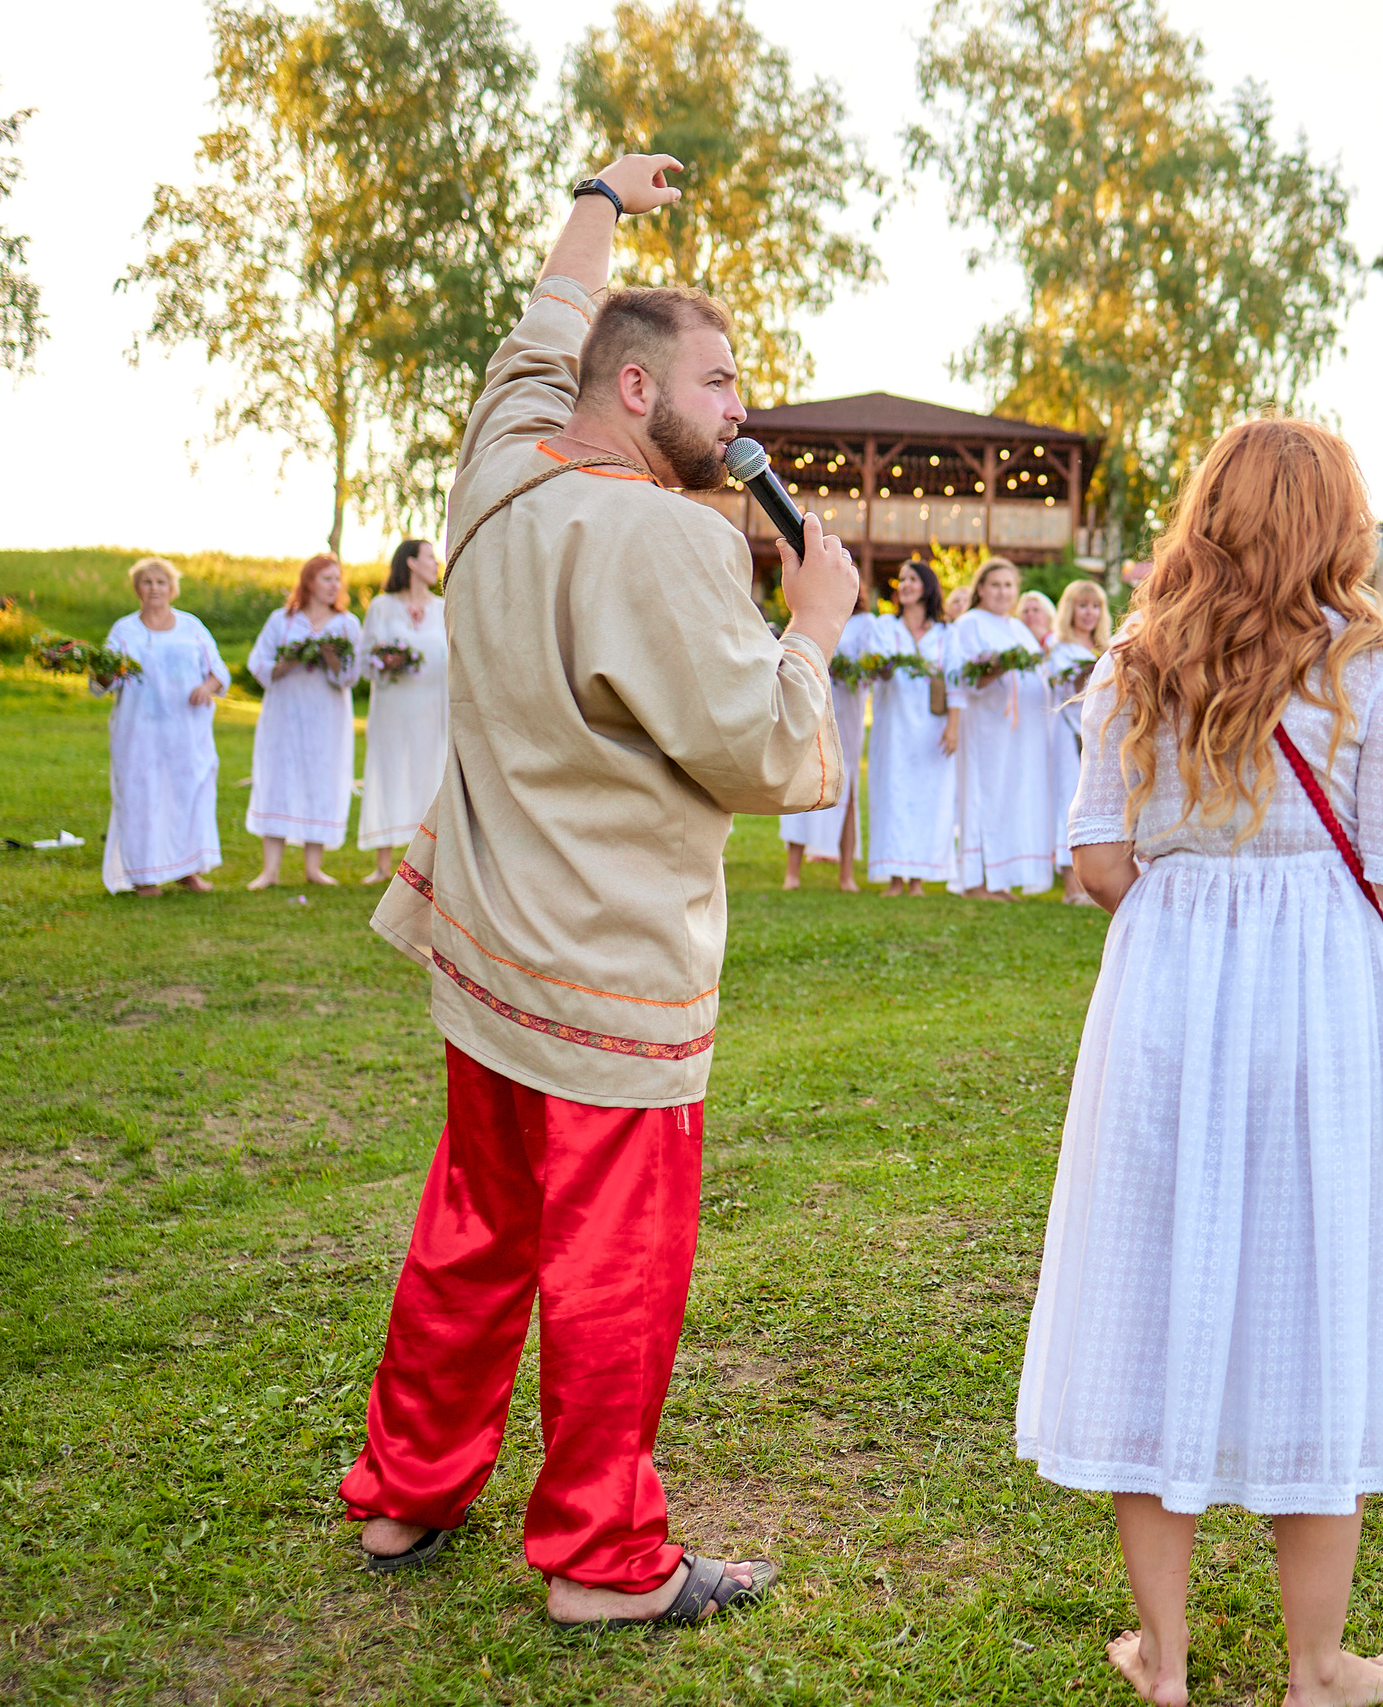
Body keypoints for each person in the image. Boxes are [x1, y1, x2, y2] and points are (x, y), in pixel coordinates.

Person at [343, 154, 852, 1626]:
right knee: (614, 1270)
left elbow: (541, 321)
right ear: (636, 393)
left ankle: (405, 1493)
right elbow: (762, 744)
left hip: (489, 940)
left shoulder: (495, 464)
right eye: (721, 376)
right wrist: (811, 623)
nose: (741, 404)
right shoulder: (677, 535)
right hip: (613, 967)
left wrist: (597, 196)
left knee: (474, 1228)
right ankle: (598, 1557)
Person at [1023, 415, 1383, 1707]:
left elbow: (1099, 864)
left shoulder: (1131, 665)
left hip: (1167, 983)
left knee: (1156, 1287)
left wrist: (1194, 899)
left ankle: (1166, 1656)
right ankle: (1317, 1665)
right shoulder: (1379, 674)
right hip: (1321, 992)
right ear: (1335, 524)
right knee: (1323, 1285)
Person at [97, 556, 228, 897]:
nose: (154, 588)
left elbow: (219, 672)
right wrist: (102, 671)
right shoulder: (124, 630)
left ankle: (188, 870)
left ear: (172, 589)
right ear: (136, 589)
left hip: (187, 732)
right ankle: (144, 877)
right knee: (142, 798)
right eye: (147, 582)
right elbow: (102, 679)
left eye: (161, 582)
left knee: (189, 797)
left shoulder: (192, 627)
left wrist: (206, 687)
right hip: (139, 733)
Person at [246, 552, 362, 887]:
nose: (334, 585)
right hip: (284, 714)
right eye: (327, 579)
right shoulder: (281, 620)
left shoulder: (347, 624)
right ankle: (270, 870)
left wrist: (331, 659)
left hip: (326, 717)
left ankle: (313, 868)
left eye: (337, 579)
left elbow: (351, 676)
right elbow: (259, 664)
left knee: (320, 781)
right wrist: (288, 662)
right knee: (277, 779)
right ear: (309, 582)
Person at [948, 558, 1057, 898]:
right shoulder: (969, 624)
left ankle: (1003, 877)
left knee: (1012, 797)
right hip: (986, 729)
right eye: (995, 585)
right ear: (980, 588)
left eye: (1008, 585)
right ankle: (976, 881)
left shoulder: (1018, 628)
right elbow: (961, 677)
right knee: (984, 795)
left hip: (1021, 735)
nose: (1002, 592)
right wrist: (996, 668)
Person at [867, 559, 958, 897]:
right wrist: (884, 668)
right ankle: (894, 876)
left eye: (912, 579)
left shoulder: (946, 633)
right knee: (892, 793)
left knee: (928, 796)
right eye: (901, 579)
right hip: (893, 726)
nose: (904, 584)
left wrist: (953, 726)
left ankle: (918, 877)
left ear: (927, 586)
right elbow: (874, 670)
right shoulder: (884, 627)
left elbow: (957, 681)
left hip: (932, 727)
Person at [359, 539, 449, 882]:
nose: (435, 564)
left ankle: (430, 864)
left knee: (430, 774)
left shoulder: (443, 607)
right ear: (411, 563)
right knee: (389, 771)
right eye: (429, 557)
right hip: (392, 708)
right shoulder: (382, 607)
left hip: (432, 709)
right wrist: (387, 661)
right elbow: (366, 662)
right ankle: (383, 864)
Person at [780, 579, 875, 892]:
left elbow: (870, 666)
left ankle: (846, 873)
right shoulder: (806, 615)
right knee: (800, 775)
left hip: (846, 710)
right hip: (809, 702)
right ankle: (792, 872)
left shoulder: (865, 624)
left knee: (844, 783)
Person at [1047, 578, 1113, 903]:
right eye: (1082, 606)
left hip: (1098, 736)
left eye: (1095, 606)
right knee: (1068, 801)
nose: (1089, 613)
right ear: (1070, 609)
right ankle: (1070, 884)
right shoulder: (1060, 649)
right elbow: (1067, 693)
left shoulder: (1106, 648)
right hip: (1068, 734)